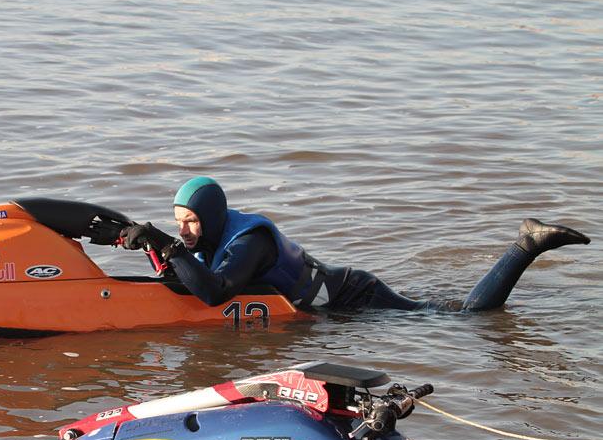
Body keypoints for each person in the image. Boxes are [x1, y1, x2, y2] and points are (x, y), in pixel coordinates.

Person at [119, 176, 590, 311]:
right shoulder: (211, 234)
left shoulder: (249, 241)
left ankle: (526, 245)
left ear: (215, 217)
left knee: (463, 319)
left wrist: (172, 248)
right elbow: (184, 277)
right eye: (178, 223)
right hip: (334, 296)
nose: (185, 230)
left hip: (353, 295)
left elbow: (216, 292)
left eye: (192, 222)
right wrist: (154, 247)